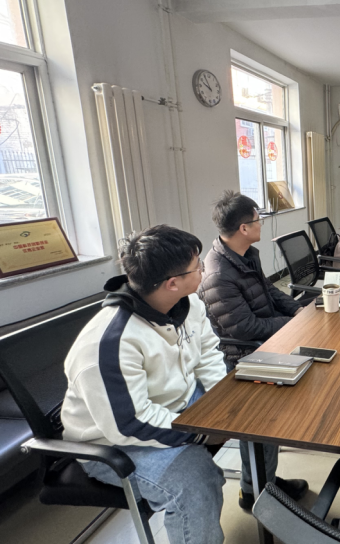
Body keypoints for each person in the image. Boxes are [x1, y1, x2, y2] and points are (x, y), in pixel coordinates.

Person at [61, 225, 228, 544]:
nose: (204, 269)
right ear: (172, 282)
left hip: (175, 404)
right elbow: (130, 423)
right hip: (114, 442)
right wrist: (203, 432)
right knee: (195, 481)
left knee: (255, 409)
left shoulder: (186, 303)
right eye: (198, 265)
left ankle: (260, 490)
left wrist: (225, 402)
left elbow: (207, 352)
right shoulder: (111, 342)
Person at [198, 190, 308, 510]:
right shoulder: (218, 274)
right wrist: (292, 325)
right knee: (261, 424)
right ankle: (255, 491)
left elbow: (269, 290)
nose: (262, 223)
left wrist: (298, 311)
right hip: (243, 355)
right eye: (259, 219)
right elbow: (244, 329)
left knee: (272, 423)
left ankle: (265, 481)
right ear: (244, 228)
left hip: (267, 341)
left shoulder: (246, 253)